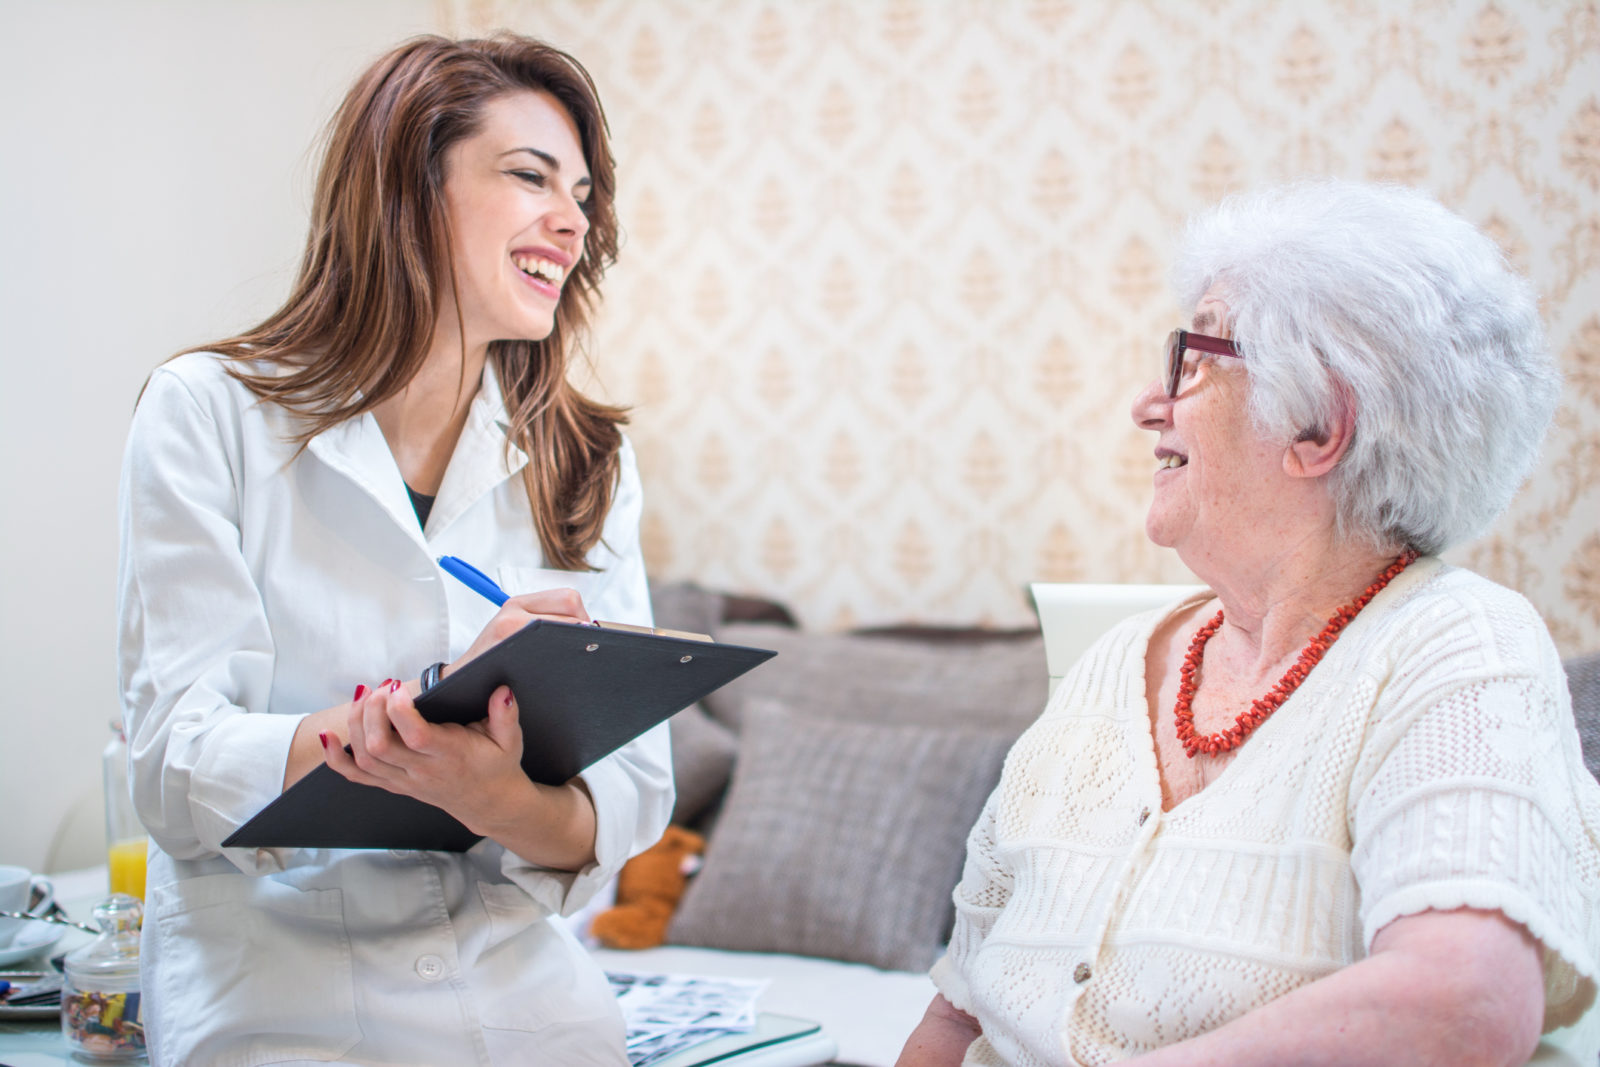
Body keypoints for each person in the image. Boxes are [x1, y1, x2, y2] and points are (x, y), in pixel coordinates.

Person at [898, 180, 1600, 1066]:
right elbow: (958, 1010)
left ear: (1317, 425)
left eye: (1189, 361)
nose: (1148, 405)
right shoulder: (1116, 661)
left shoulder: (1457, 645)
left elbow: (1461, 1004)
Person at [117, 34, 670, 1066]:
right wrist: (414, 717)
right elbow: (175, 759)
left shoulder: (585, 457)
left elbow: (627, 798)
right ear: (412, 190)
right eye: (529, 177)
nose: (573, 218)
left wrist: (495, 794)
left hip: (528, 1009)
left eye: (583, 193)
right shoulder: (207, 414)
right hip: (279, 1005)